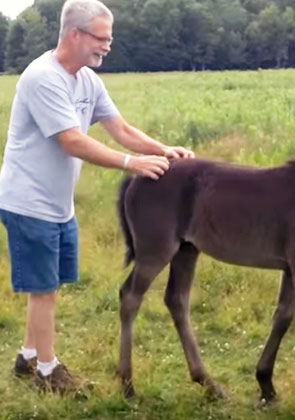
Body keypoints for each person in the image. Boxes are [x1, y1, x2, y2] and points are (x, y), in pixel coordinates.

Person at [0, 0, 194, 392]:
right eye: (101, 39)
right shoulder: (42, 77)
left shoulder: (87, 79)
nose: (107, 46)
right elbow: (71, 141)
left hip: (58, 203)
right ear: (75, 34)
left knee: (49, 286)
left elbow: (119, 127)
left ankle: (28, 357)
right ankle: (49, 372)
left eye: (109, 39)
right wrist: (131, 164)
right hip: (28, 201)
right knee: (43, 289)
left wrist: (161, 150)